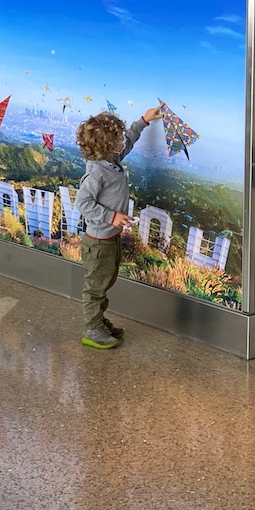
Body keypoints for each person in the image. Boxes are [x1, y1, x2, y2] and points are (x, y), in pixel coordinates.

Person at [73, 105, 160, 349]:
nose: (123, 140)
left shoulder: (111, 160)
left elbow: (130, 140)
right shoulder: (97, 173)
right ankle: (92, 328)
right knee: (95, 287)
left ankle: (98, 321)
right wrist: (111, 217)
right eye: (118, 138)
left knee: (106, 281)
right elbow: (82, 202)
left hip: (110, 239)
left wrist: (144, 120)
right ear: (108, 146)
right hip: (99, 242)